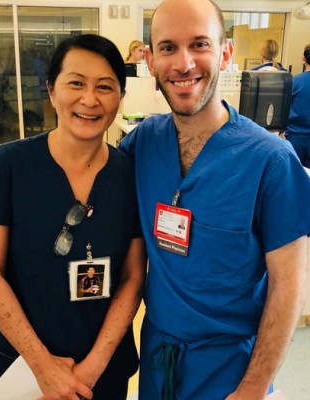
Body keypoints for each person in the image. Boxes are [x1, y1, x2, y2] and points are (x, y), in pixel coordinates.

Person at [118, 0, 310, 398]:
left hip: (231, 372)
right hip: (158, 362)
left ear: (225, 53)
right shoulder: (142, 144)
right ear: (151, 61)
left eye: (200, 44)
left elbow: (288, 287)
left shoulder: (270, 162)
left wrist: (252, 390)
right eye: (168, 47)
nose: (184, 63)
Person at [0, 34, 146, 399]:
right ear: (51, 90)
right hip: (22, 367)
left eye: (105, 87)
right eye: (75, 83)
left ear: (121, 98)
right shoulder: (8, 166)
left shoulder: (130, 174)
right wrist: (43, 366)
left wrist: (92, 368)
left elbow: (131, 278)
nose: (89, 99)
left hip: (103, 369)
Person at [286, 43, 310, 168]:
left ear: (303, 58)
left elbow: (283, 110)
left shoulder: (294, 81)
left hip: (295, 139)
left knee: (293, 177)